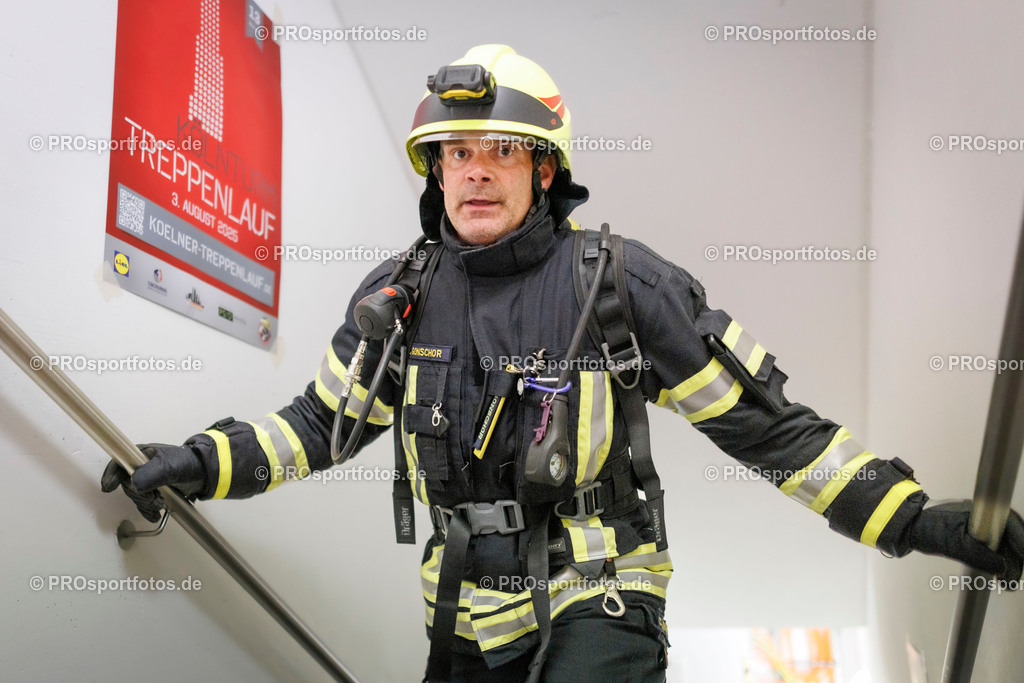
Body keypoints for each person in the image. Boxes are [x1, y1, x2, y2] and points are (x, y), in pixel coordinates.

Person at [103, 45, 1024, 682]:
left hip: (602, 596)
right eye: (453, 153)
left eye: (498, 150)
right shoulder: (400, 295)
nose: (472, 171)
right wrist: (196, 463)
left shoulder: (622, 286)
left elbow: (771, 433)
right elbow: (316, 428)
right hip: (460, 610)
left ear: (545, 169)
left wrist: (914, 520)